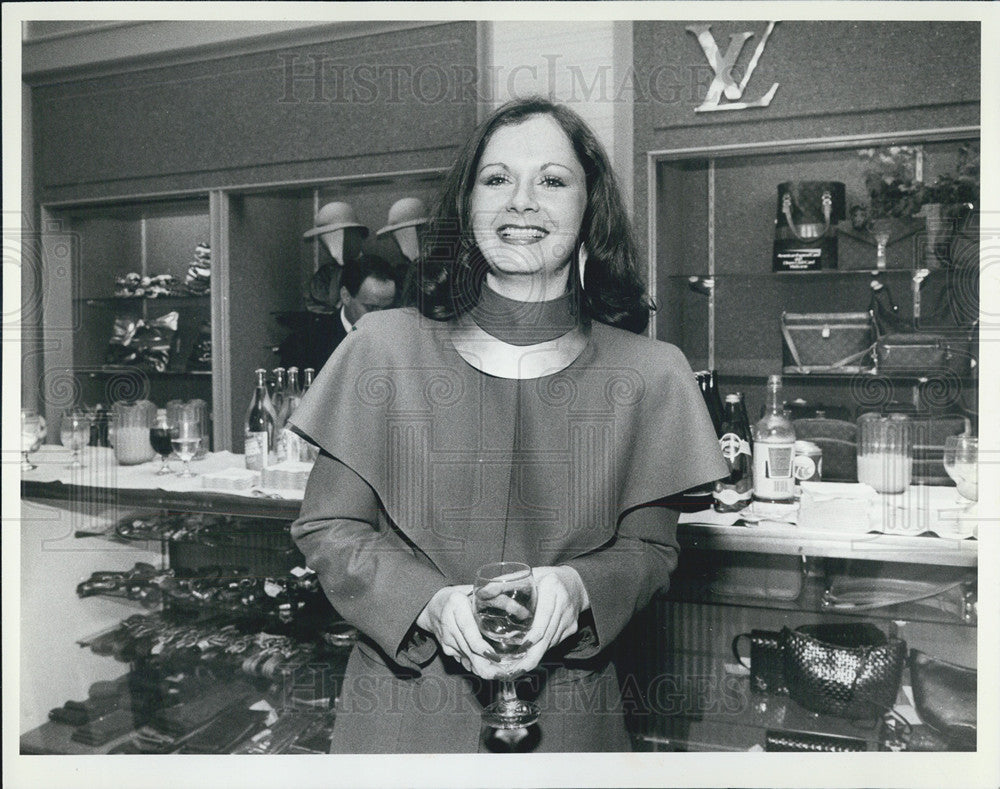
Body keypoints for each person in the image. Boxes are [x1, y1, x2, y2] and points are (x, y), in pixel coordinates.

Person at [289, 97, 726, 753]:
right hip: (402, 717)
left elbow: (652, 552)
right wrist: (429, 602)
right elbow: (329, 526)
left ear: (590, 209)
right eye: (497, 179)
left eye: (552, 179)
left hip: (572, 724)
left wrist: (579, 587)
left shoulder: (652, 374)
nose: (522, 201)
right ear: (466, 208)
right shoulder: (381, 349)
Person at [277, 249, 398, 372]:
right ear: (346, 296)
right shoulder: (304, 344)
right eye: (371, 308)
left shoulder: (399, 341)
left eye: (387, 308)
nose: (380, 317)